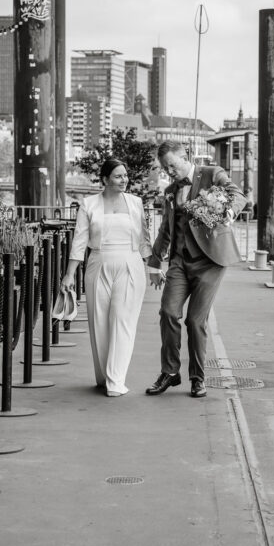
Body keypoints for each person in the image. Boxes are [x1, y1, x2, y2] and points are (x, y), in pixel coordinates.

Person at [146, 141, 249, 398]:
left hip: (210, 261)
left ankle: (197, 377)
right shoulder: (170, 191)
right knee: (168, 312)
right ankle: (170, 372)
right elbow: (166, 229)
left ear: (186, 157)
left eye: (172, 165)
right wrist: (155, 262)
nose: (169, 171)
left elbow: (238, 194)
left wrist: (229, 212)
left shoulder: (212, 174)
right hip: (180, 262)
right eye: (165, 168)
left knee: (195, 320)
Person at [63, 159, 151, 397]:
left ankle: (115, 379)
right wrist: (69, 274)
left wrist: (152, 267)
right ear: (104, 179)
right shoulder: (89, 204)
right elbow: (80, 240)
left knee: (123, 321)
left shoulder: (135, 202)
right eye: (118, 176)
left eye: (125, 176)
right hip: (98, 263)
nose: (124, 180)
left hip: (130, 263)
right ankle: (104, 375)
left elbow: (144, 238)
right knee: (99, 323)